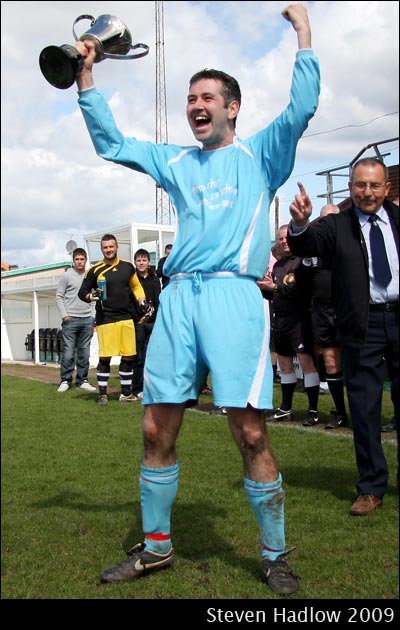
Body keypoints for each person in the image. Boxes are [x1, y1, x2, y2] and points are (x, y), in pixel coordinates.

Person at [73, 4, 320, 595]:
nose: (196, 106)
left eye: (207, 98)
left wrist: (304, 32)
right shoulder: (176, 161)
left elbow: (303, 107)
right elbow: (112, 143)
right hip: (180, 299)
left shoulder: (262, 154)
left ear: (232, 107)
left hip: (234, 299)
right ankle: (157, 548)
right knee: (154, 429)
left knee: (251, 433)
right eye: (191, 99)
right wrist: (87, 74)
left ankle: (274, 555)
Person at [287, 157, 399, 516]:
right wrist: (300, 223)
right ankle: (371, 487)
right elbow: (306, 244)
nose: (368, 192)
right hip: (362, 325)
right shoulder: (337, 225)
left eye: (375, 185)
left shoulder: (397, 219)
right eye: (360, 185)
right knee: (364, 408)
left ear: (387, 188)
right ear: (351, 188)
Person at [78, 234, 149, 406]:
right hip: (106, 318)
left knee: (129, 356)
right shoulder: (94, 270)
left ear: (117, 247)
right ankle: (102, 395)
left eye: (111, 246)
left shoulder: (127, 267)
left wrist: (142, 300)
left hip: (126, 317)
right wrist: (91, 296)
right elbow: (82, 292)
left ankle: (125, 394)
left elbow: (136, 286)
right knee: (105, 357)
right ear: (101, 249)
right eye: (105, 247)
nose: (108, 250)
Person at [261, 225, 320, 427]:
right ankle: (286, 408)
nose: (283, 241)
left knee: (306, 363)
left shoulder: (303, 262)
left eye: (286, 238)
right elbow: (275, 294)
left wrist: (275, 287)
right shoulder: (278, 265)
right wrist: (265, 288)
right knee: (285, 365)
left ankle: (313, 410)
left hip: (299, 319)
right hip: (280, 320)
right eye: (280, 239)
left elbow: (300, 291)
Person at [305, 204, 348, 429]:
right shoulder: (314, 247)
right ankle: (340, 412)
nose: (327, 224)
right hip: (322, 311)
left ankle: (364, 411)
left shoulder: (349, 243)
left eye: (331, 219)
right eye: (323, 220)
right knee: (330, 360)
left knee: (359, 361)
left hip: (347, 309)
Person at [56, 247, 96, 393]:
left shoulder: (90, 276)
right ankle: (65, 380)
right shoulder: (66, 276)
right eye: (77, 259)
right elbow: (59, 296)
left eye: (82, 259)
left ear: (86, 260)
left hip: (87, 319)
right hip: (70, 319)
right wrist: (65, 315)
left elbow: (95, 296)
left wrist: (92, 315)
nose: (79, 262)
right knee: (68, 353)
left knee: (84, 353)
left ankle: (82, 380)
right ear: (73, 260)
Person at [130, 248, 161, 399]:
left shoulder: (154, 278)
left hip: (153, 322)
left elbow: (158, 299)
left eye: (144, 260)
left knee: (151, 356)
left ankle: (150, 386)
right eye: (138, 260)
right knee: (139, 357)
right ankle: (137, 387)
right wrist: (138, 317)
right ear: (135, 262)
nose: (141, 263)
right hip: (139, 323)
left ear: (149, 262)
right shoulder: (132, 280)